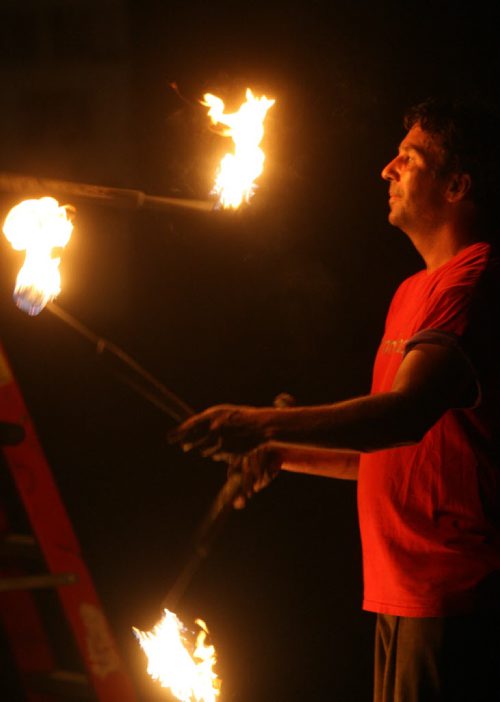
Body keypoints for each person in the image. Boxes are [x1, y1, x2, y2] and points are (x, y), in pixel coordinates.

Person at [169, 97, 500, 702]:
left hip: (453, 597)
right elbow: (392, 454)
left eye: (410, 159)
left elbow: (402, 416)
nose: (387, 170)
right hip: (402, 593)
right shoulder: (412, 291)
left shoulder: (474, 281)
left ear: (457, 185)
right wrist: (280, 450)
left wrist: (259, 421)